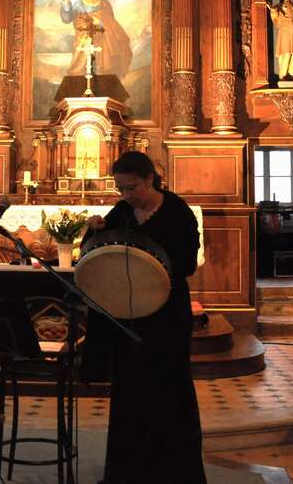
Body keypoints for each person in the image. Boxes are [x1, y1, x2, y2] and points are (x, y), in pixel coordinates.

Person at [81, 151, 208, 484]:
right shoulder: (122, 211)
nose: (126, 195)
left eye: (132, 187)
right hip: (128, 315)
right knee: (130, 394)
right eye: (121, 188)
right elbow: (99, 250)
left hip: (165, 316)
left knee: (169, 390)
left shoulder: (177, 212)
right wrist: (92, 230)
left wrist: (151, 264)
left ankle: (173, 474)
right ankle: (128, 474)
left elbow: (187, 265)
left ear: (151, 179)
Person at [60, 0, 132, 79]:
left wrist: (101, 23)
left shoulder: (104, 4)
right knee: (79, 69)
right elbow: (67, 19)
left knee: (102, 72)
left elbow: (112, 24)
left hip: (103, 42)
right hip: (83, 41)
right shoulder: (79, 5)